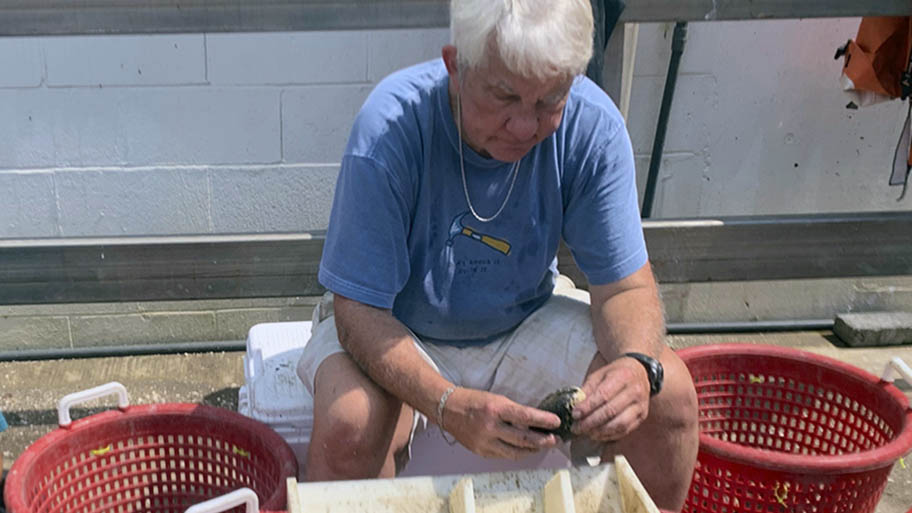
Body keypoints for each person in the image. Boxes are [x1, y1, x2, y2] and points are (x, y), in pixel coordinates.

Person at [295, 0, 699, 509]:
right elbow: (357, 311)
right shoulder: (391, 126)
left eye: (550, 100)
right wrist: (446, 404)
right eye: (504, 97)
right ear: (455, 68)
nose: (525, 127)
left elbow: (625, 287)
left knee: (670, 397)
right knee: (351, 423)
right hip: (397, 323)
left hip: (521, 314)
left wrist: (638, 368)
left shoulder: (593, 126)